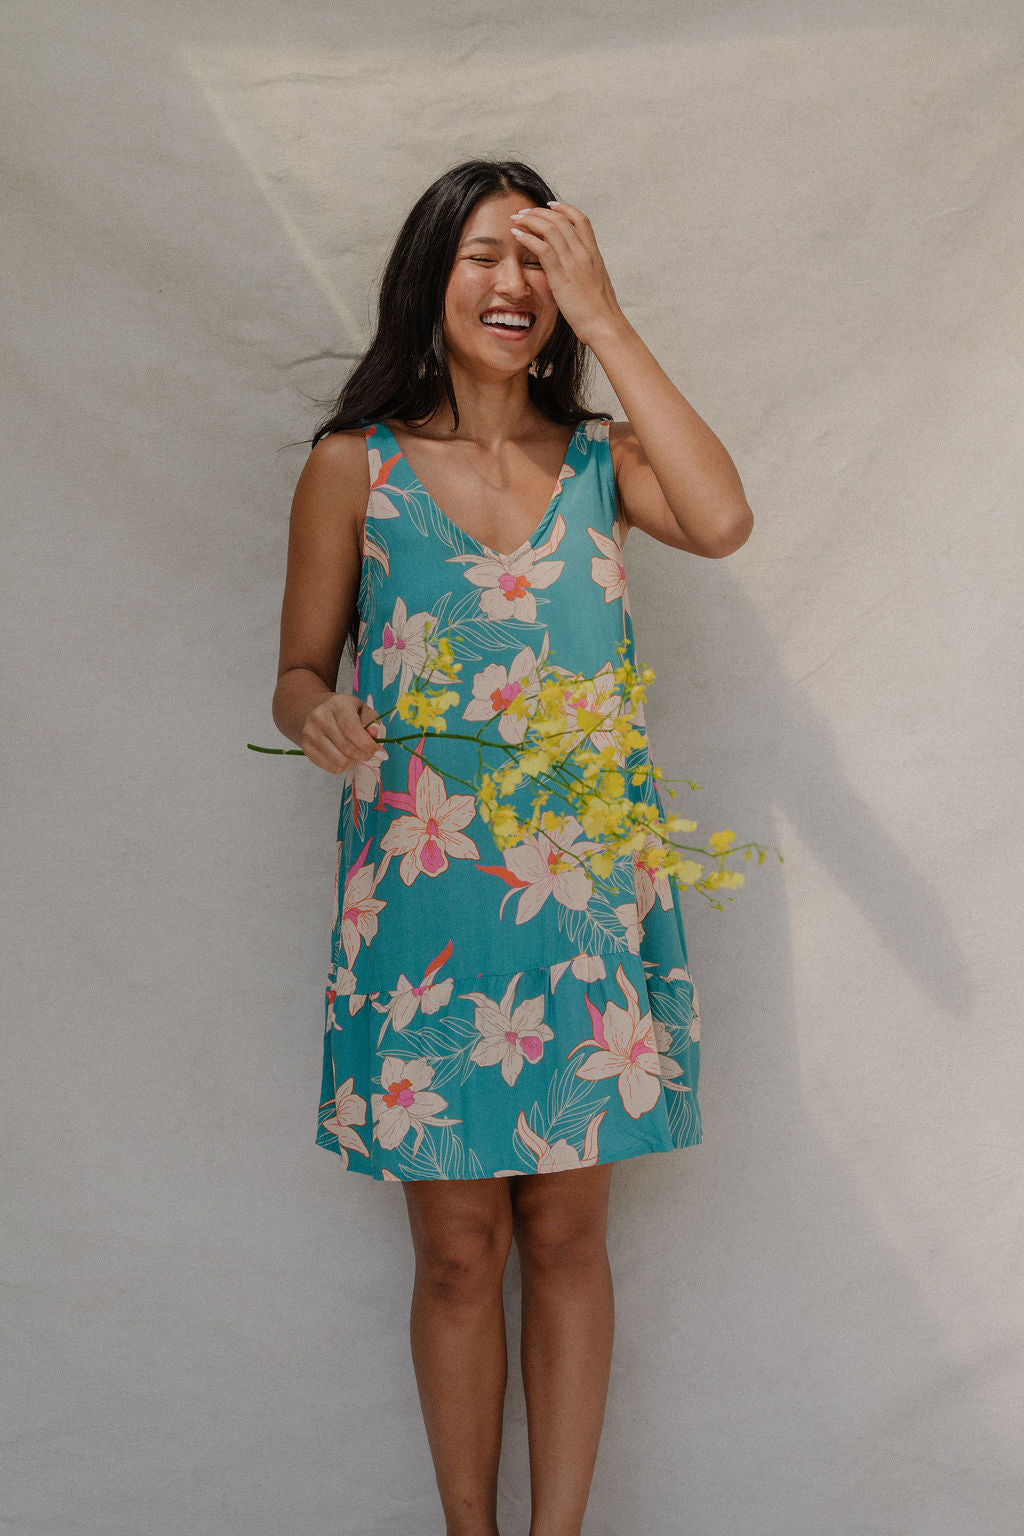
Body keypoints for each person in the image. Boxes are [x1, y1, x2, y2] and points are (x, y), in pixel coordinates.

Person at [271, 158, 753, 1536]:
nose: (514, 285)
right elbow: (298, 668)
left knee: (565, 1232)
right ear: (433, 274)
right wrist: (321, 718)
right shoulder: (349, 468)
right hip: (426, 909)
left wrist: (609, 320)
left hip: (584, 897)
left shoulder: (599, 463)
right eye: (489, 254)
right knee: (458, 1251)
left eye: (542, 262)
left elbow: (721, 522)